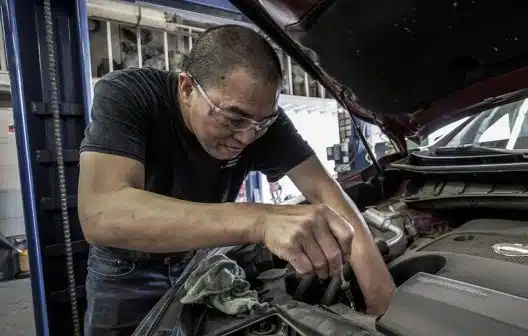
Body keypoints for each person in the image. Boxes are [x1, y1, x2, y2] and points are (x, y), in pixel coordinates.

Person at [77, 24, 395, 335]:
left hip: (200, 260)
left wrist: (383, 304)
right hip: (126, 273)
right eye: (232, 119)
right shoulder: (130, 94)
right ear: (187, 89)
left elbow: (327, 194)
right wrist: (260, 221)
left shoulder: (258, 123)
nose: (246, 137)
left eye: (263, 123)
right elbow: (102, 213)